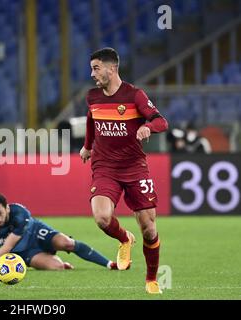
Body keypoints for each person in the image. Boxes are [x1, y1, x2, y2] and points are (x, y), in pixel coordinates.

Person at [79, 48, 169, 294]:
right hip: (105, 166)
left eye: (96, 68)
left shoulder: (135, 95)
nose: (92, 74)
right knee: (102, 219)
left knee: (149, 229)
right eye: (91, 68)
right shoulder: (93, 97)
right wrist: (88, 146)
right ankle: (124, 239)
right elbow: (91, 118)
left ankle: (151, 279)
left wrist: (148, 127)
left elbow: (162, 121)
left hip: (134, 167)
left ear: (112, 68)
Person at [0, 192, 119, 272]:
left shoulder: (20, 214)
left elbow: (6, 247)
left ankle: (109, 264)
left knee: (67, 243)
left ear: (7, 208)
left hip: (37, 234)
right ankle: (59, 262)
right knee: (57, 267)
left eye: (0, 213)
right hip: (24, 252)